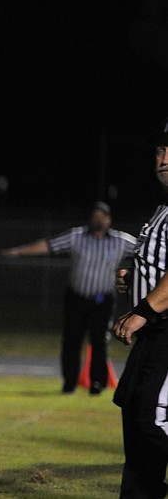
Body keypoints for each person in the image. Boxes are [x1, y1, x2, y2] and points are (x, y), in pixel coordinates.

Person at [0, 202, 135, 394]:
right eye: (95, 215)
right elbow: (49, 245)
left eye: (102, 216)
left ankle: (98, 382)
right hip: (77, 298)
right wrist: (19, 251)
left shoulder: (120, 241)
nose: (98, 219)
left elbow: (144, 251)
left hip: (102, 301)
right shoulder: (77, 236)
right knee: (72, 341)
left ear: (108, 219)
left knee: (99, 342)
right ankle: (69, 382)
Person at [112, 119, 168, 498]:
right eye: (159, 151)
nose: (162, 158)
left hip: (165, 329)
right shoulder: (163, 208)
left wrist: (144, 309)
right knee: (134, 411)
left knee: (152, 420)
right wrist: (133, 272)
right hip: (154, 332)